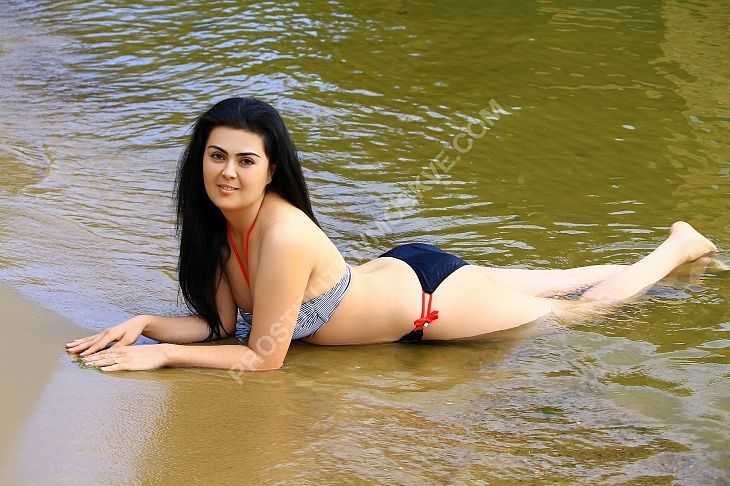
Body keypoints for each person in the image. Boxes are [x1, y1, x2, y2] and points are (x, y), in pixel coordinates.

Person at [64, 97, 719, 373]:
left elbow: (262, 360)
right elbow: (222, 327)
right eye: (216, 156)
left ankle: (676, 247)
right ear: (199, 161)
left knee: (583, 308)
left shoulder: (282, 235)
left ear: (271, 171)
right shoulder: (217, 231)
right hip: (398, 271)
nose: (227, 172)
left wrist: (164, 356)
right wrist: (145, 323)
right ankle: (675, 250)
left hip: (433, 306)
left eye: (245, 160)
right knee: (560, 281)